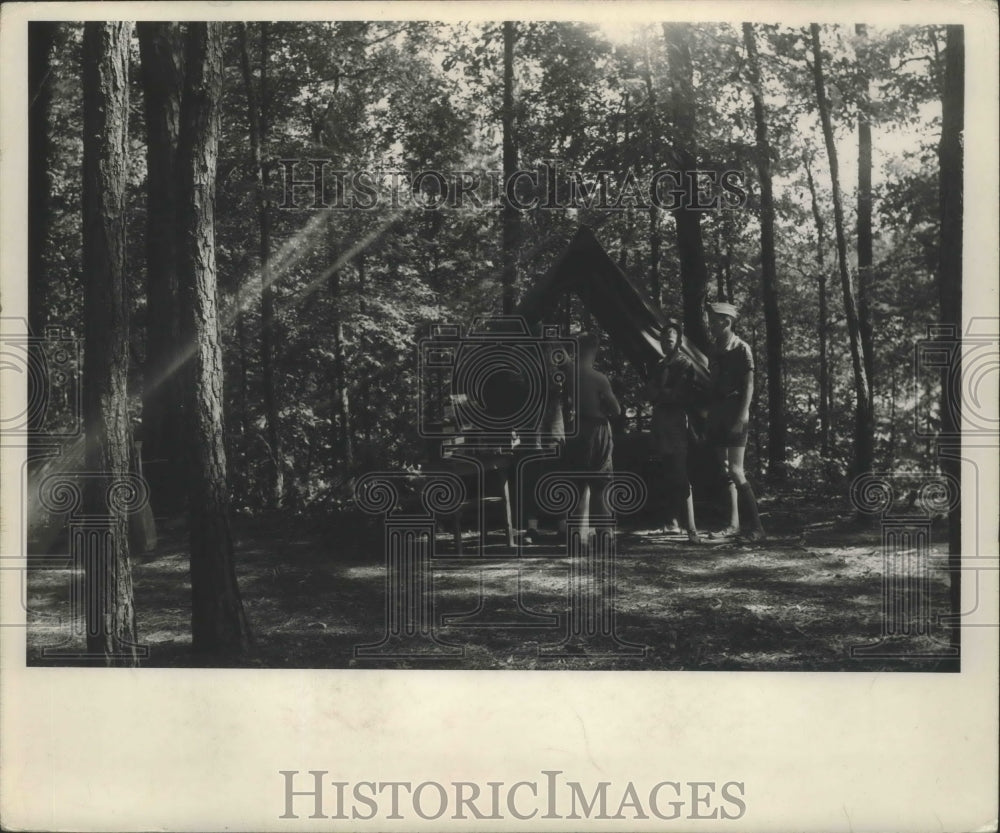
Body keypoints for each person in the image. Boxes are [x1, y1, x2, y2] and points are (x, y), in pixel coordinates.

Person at [705, 301, 765, 541]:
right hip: (718, 411)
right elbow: (712, 382)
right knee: (725, 469)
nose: (710, 325)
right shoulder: (713, 348)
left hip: (735, 410)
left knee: (737, 470)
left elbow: (749, 386)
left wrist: (741, 417)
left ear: (726, 322)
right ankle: (733, 525)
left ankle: (758, 528)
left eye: (714, 321)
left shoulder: (742, 348)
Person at [646, 318, 701, 543]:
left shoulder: (685, 364)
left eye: (670, 340)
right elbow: (649, 392)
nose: (666, 344)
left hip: (677, 422)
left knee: (680, 474)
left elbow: (680, 396)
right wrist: (660, 393)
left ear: (678, 341)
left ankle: (692, 529)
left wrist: (661, 393)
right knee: (666, 471)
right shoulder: (659, 365)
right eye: (663, 340)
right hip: (660, 422)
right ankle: (671, 523)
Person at [566, 332, 620, 530]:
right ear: (595, 349)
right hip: (597, 428)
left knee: (578, 481)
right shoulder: (599, 378)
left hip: (576, 427)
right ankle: (603, 531)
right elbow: (616, 410)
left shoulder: (570, 373)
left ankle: (577, 535)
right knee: (601, 481)